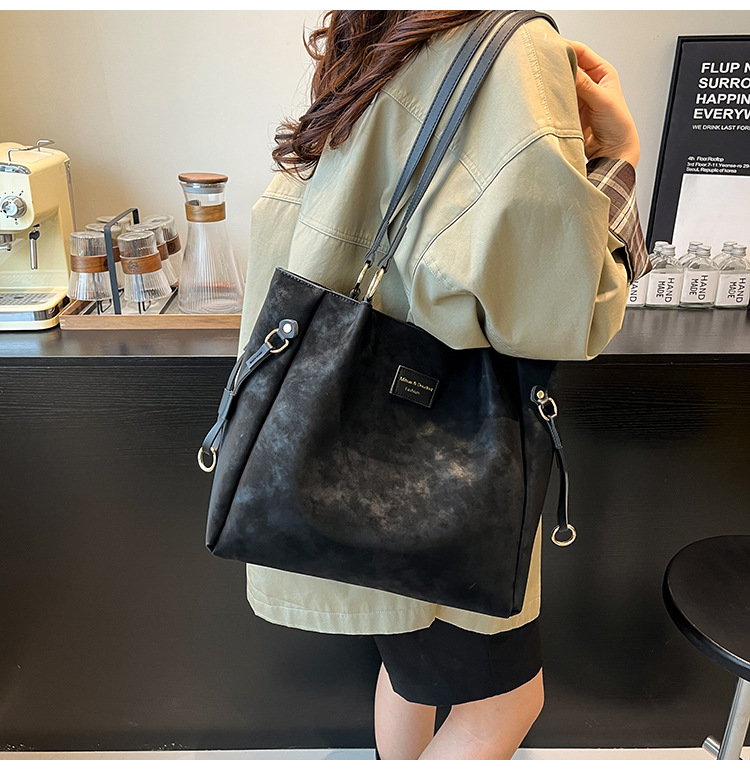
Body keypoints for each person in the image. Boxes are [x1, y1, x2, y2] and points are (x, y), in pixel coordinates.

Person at [237, 10, 650, 760]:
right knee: (505, 706)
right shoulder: (514, 46)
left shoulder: (385, 26)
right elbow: (563, 311)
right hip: (439, 470)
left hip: (338, 439)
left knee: (411, 673)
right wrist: (620, 159)